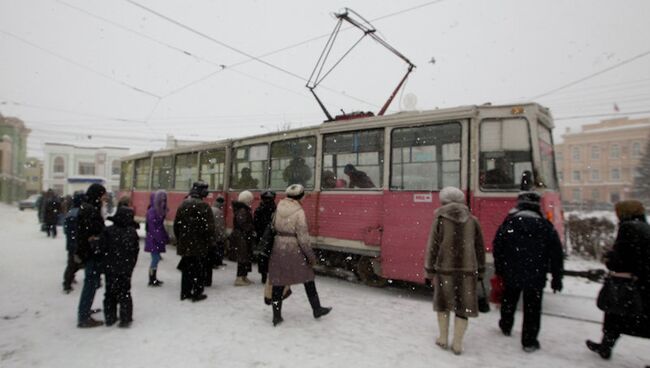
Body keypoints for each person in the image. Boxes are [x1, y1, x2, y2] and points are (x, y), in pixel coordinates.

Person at [493, 189, 564, 352]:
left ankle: (506, 325)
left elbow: (498, 247)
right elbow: (556, 254)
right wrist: (556, 278)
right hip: (536, 274)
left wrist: (500, 268)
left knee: (509, 300)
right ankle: (529, 341)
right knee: (532, 308)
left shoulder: (510, 223)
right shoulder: (546, 226)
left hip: (512, 272)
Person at [424, 186, 486, 355]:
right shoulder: (472, 220)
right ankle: (458, 343)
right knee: (463, 307)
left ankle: (443, 338)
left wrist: (429, 270)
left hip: (445, 270)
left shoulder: (440, 220)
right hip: (467, 270)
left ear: (443, 201)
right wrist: (480, 270)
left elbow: (432, 247)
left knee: (443, 305)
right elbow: (480, 249)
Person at [586, 200, 650, 360]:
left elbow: (623, 259)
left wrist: (609, 258)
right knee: (617, 316)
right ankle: (605, 346)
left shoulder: (628, 228)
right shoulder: (644, 227)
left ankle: (605, 347)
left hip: (630, 283)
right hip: (643, 281)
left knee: (616, 313)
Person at [268, 184, 331, 326]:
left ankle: (276, 315)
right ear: (300, 196)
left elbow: (273, 226)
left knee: (278, 281)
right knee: (308, 279)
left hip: (279, 246)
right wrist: (311, 256)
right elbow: (303, 237)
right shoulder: (299, 212)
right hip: (294, 247)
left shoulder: (279, 207)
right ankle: (317, 309)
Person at [99, 206, 140, 328]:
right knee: (125, 293)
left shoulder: (108, 231)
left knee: (109, 293)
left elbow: (101, 248)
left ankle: (110, 317)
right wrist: (130, 265)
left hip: (110, 268)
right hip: (125, 269)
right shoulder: (132, 233)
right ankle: (125, 318)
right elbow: (135, 251)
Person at [173, 182, 214, 302]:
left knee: (186, 270)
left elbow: (177, 225)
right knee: (198, 269)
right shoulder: (204, 207)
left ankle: (185, 292)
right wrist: (208, 241)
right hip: (199, 245)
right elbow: (209, 229)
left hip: (185, 244)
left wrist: (181, 239)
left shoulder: (183, 205)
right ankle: (197, 292)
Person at [75, 183, 108, 328]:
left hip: (89, 252)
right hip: (92, 253)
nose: (104, 198)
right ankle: (83, 316)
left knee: (92, 282)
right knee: (91, 283)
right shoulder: (91, 210)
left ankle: (85, 310)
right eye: (102, 195)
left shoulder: (87, 207)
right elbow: (93, 232)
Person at [230, 190, 256, 286]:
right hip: (241, 237)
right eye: (250, 199)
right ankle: (239, 278)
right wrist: (251, 228)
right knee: (242, 257)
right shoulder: (242, 210)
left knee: (245, 257)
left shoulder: (242, 209)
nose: (251, 201)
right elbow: (243, 223)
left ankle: (243, 276)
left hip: (242, 236)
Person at [62, 191, 85, 293]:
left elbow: (66, 230)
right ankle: (67, 284)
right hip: (77, 243)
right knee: (74, 263)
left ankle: (68, 280)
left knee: (72, 263)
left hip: (71, 243)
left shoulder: (70, 212)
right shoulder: (80, 213)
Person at [145, 190, 169, 287]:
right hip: (154, 239)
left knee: (156, 259)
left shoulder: (155, 211)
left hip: (154, 239)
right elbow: (154, 228)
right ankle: (152, 279)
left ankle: (153, 278)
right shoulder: (153, 212)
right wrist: (161, 237)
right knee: (155, 259)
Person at [254, 190, 277, 283]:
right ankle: (270, 275)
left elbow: (256, 223)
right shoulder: (275, 209)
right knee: (271, 256)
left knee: (263, 256)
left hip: (262, 236)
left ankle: (264, 275)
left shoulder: (259, 209)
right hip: (272, 236)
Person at [211, 196, 227, 268]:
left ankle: (215, 262)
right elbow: (219, 225)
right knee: (219, 247)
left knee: (214, 248)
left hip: (212, 232)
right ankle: (217, 262)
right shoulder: (218, 211)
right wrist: (222, 235)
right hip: (216, 233)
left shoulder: (211, 208)